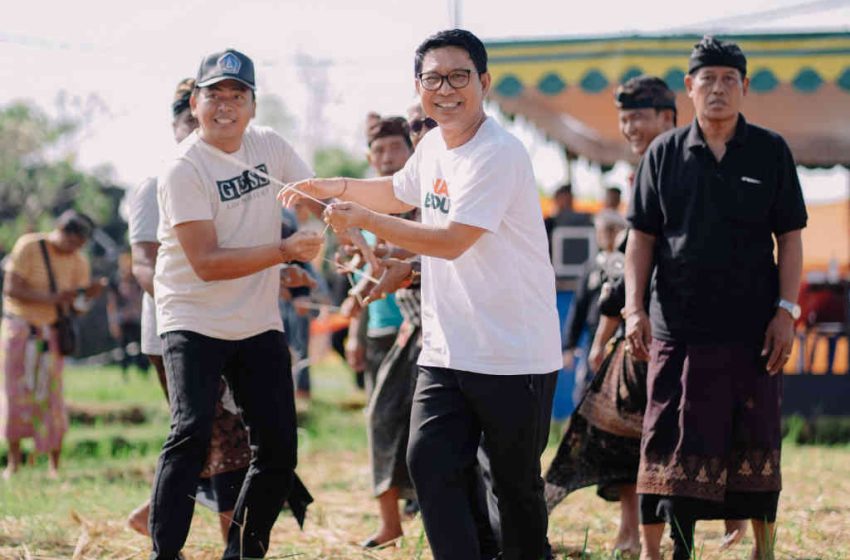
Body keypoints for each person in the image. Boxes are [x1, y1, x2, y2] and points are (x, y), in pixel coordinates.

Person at [282, 28, 561, 560]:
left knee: (514, 488)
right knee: (430, 463)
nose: (446, 89)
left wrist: (362, 217)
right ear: (419, 86)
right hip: (447, 348)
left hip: (513, 352)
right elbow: (394, 192)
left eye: (459, 77)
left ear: (484, 82)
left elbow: (453, 240)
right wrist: (331, 188)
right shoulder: (432, 144)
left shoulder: (498, 153)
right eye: (433, 79)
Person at [625, 36, 807, 560]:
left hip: (754, 327)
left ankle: (763, 548)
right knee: (669, 435)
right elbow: (642, 238)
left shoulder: (770, 150)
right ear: (690, 87)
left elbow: (790, 237)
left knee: (756, 436)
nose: (719, 89)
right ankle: (662, 551)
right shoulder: (664, 153)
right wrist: (635, 308)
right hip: (678, 325)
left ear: (745, 87)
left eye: (730, 79)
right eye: (709, 79)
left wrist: (786, 312)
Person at [147, 49, 323, 560]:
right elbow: (206, 261)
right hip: (192, 316)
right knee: (191, 433)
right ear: (196, 103)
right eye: (215, 95)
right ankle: (166, 553)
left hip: (256, 319)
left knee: (279, 450)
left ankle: (243, 553)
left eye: (237, 95)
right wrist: (284, 251)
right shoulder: (183, 169)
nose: (226, 105)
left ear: (252, 104)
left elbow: (313, 196)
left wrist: (345, 229)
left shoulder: (268, 145)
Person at [1, 210, 105, 478]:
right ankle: (13, 463)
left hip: (52, 334)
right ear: (60, 230)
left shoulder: (79, 261)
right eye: (72, 242)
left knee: (52, 398)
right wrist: (54, 297)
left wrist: (88, 296)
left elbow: (77, 309)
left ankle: (54, 466)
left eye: (79, 245)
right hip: (21, 330)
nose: (73, 249)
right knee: (16, 395)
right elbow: (11, 288)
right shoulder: (29, 245)